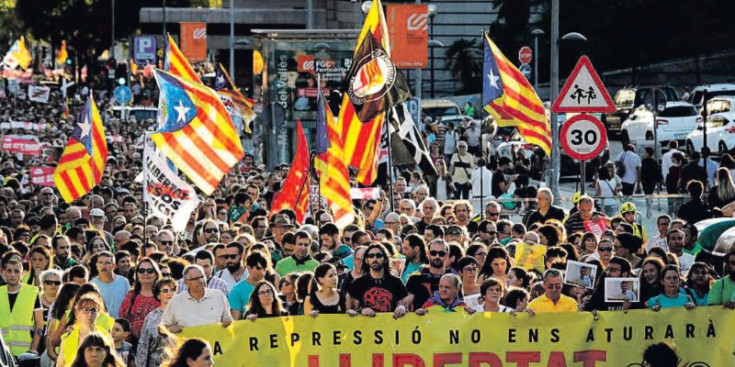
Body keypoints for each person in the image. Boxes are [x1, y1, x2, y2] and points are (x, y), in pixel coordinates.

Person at [162, 265, 233, 332]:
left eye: (202, 277)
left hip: (215, 343)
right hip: (188, 343)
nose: (201, 281)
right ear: (186, 282)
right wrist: (171, 329)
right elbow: (162, 328)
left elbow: (228, 320)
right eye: (196, 279)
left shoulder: (218, 295)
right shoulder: (176, 301)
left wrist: (227, 322)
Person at [347, 243, 409, 318]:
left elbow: (404, 306)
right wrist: (361, 311)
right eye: (371, 256)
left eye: (379, 256)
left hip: (390, 326)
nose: (375, 259)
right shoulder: (358, 283)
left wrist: (402, 308)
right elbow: (352, 310)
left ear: (385, 259)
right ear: (366, 260)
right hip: (365, 326)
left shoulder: (396, 282)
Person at [0, 253, 42, 357]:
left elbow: (39, 324)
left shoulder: (32, 292)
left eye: (16, 271)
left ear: (22, 274)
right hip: (2, 353)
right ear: (4, 273)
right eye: (9, 271)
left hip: (24, 352)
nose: (12, 274)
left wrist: (33, 349)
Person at [57, 296, 114, 367]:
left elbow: (111, 362)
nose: (90, 314)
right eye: (86, 310)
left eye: (93, 310)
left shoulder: (105, 336)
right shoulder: (67, 338)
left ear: (98, 314)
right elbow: (60, 364)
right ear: (77, 313)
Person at [136, 278, 177, 367]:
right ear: (158, 295)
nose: (170, 293)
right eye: (165, 291)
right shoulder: (151, 317)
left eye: (172, 290)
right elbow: (143, 344)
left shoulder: (184, 314)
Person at [117, 258, 160, 341]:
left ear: (156, 274)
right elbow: (122, 320)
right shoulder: (130, 296)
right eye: (142, 270)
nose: (145, 273)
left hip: (156, 344)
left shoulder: (163, 295)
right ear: (137, 275)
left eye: (150, 270)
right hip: (132, 343)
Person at [228, 252, 272, 320]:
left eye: (264, 269)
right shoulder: (237, 290)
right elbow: (235, 319)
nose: (262, 272)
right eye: (258, 268)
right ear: (249, 268)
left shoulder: (270, 287)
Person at [90, 251, 130, 319]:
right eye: (100, 263)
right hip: (100, 325)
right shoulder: (92, 285)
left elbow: (129, 305)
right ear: (97, 265)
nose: (103, 266)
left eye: (107, 263)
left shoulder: (124, 282)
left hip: (120, 323)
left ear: (113, 266)